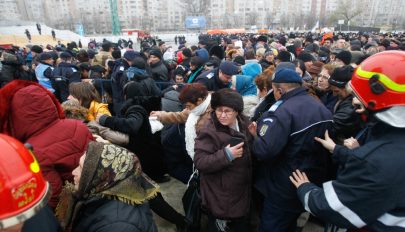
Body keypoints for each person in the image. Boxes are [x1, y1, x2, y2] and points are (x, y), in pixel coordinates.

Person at [290, 50, 405, 232]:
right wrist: (339, 151)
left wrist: (306, 190)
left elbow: (334, 208)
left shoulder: (375, 161)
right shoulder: (385, 143)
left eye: (358, 99)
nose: (354, 104)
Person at [249, 68, 333, 232]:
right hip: (309, 181)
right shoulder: (321, 107)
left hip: (283, 184)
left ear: (279, 90)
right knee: (292, 224)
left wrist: (255, 137)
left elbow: (264, 150)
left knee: (272, 225)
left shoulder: (281, 112)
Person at [0, 80, 93, 210]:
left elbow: (53, 197)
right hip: (96, 197)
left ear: (15, 117)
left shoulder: (33, 151)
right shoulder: (77, 125)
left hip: (76, 210)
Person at [57, 142, 158, 232]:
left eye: (81, 168)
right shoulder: (101, 196)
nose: (73, 172)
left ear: (103, 177)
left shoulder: (117, 226)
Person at [194, 88, 252, 232]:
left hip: (241, 190)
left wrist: (255, 136)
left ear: (237, 111)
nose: (222, 115)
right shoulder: (209, 131)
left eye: (228, 111)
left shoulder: (244, 123)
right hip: (220, 194)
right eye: (219, 110)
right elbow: (200, 162)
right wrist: (226, 155)